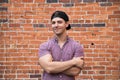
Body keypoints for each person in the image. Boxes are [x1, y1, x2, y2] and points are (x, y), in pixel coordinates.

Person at [38, 11, 84, 80]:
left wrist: (54, 66)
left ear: (67, 24)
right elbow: (49, 68)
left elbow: (75, 71)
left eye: (59, 22)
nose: (56, 25)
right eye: (53, 23)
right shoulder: (44, 46)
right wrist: (73, 62)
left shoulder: (77, 46)